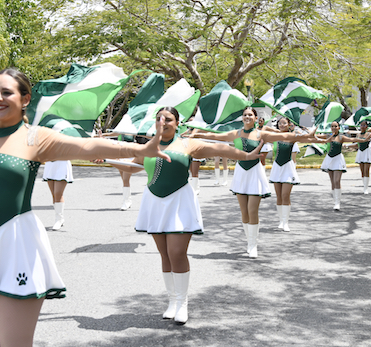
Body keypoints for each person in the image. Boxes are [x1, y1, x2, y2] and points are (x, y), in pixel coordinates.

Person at [0, 68, 171, 347]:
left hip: (17, 244)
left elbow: (86, 147)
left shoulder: (36, 137)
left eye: (6, 92)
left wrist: (137, 150)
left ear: (25, 99)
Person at [115, 107, 263, 325]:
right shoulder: (149, 146)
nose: (163, 123)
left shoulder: (187, 144)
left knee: (177, 253)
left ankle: (183, 303)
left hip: (179, 202)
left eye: (168, 119)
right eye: (159, 119)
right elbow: (132, 165)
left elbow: (220, 149)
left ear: (177, 123)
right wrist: (104, 159)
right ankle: (172, 301)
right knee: (164, 254)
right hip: (154, 203)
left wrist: (247, 155)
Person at [191, 107, 306, 258]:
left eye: (250, 115)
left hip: (255, 173)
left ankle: (253, 245)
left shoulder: (261, 134)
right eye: (245, 115)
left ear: (255, 117)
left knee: (252, 210)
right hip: (241, 173)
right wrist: (196, 133)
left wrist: (304, 134)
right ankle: (248, 241)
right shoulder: (236, 133)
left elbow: (285, 136)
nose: (247, 117)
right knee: (244, 211)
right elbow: (216, 135)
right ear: (242, 117)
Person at [319, 121, 363, 209]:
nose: (334, 128)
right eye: (332, 126)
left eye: (335, 126)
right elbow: (316, 137)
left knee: (336, 181)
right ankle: (335, 201)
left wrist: (364, 139)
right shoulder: (328, 136)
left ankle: (337, 202)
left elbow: (352, 140)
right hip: (329, 159)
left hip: (338, 159)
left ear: (339, 127)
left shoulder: (341, 137)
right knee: (332, 182)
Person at [268, 117, 300, 231]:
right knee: (279, 196)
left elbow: (305, 136)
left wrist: (298, 130)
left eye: (284, 123)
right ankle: (281, 220)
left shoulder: (292, 136)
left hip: (288, 167)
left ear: (288, 124)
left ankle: (286, 222)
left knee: (285, 195)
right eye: (280, 123)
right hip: (277, 167)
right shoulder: (274, 137)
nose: (281, 125)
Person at [42, 160, 73, 230]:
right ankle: (60, 218)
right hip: (50, 164)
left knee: (58, 193)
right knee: (54, 195)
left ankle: (58, 220)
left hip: (62, 164)